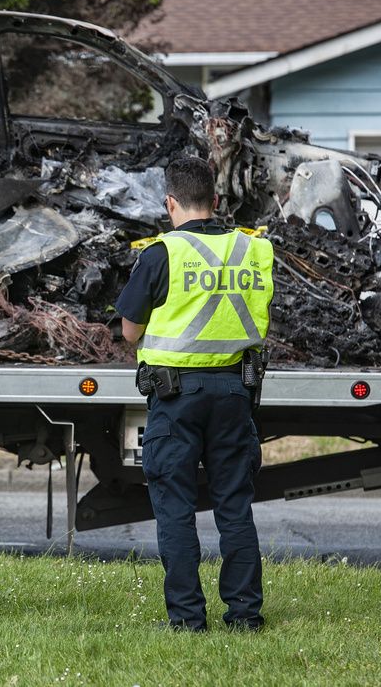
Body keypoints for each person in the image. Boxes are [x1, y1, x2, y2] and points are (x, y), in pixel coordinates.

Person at [115, 156, 274, 633]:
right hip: (234, 392)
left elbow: (129, 332)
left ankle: (187, 618)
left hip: (176, 397)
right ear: (217, 200)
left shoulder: (161, 253)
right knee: (234, 507)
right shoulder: (252, 250)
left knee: (175, 509)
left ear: (169, 202)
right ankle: (245, 615)